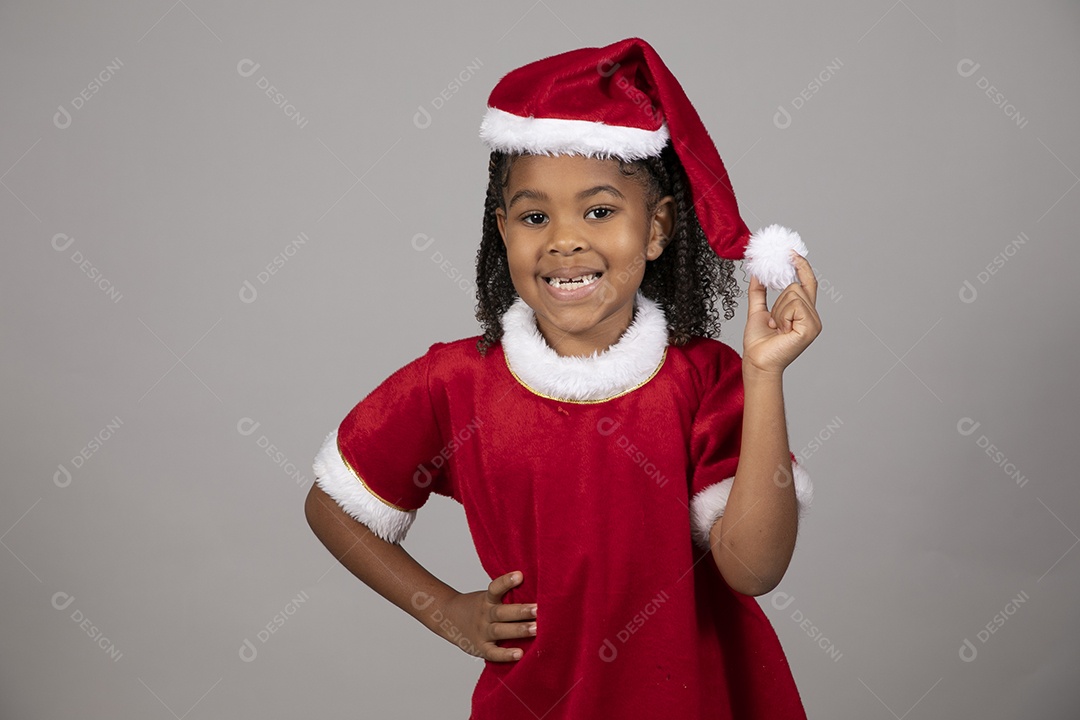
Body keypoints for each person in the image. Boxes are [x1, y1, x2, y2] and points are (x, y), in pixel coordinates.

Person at [305, 37, 822, 719]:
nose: (564, 240)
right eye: (534, 216)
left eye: (600, 210)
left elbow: (754, 570)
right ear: (503, 230)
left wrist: (763, 376)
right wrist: (448, 611)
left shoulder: (705, 379)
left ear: (658, 227)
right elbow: (333, 505)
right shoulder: (455, 383)